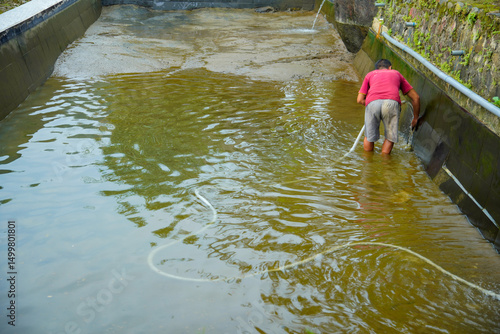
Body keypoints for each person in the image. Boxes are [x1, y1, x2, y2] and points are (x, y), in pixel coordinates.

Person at [356, 59, 420, 154]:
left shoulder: (370, 75)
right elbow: (416, 98)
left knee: (369, 137)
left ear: (376, 69)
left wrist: (372, 102)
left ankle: (368, 163)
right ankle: (385, 163)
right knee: (390, 137)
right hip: (391, 103)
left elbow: (359, 100)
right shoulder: (396, 73)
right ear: (390, 67)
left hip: (372, 103)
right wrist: (415, 118)